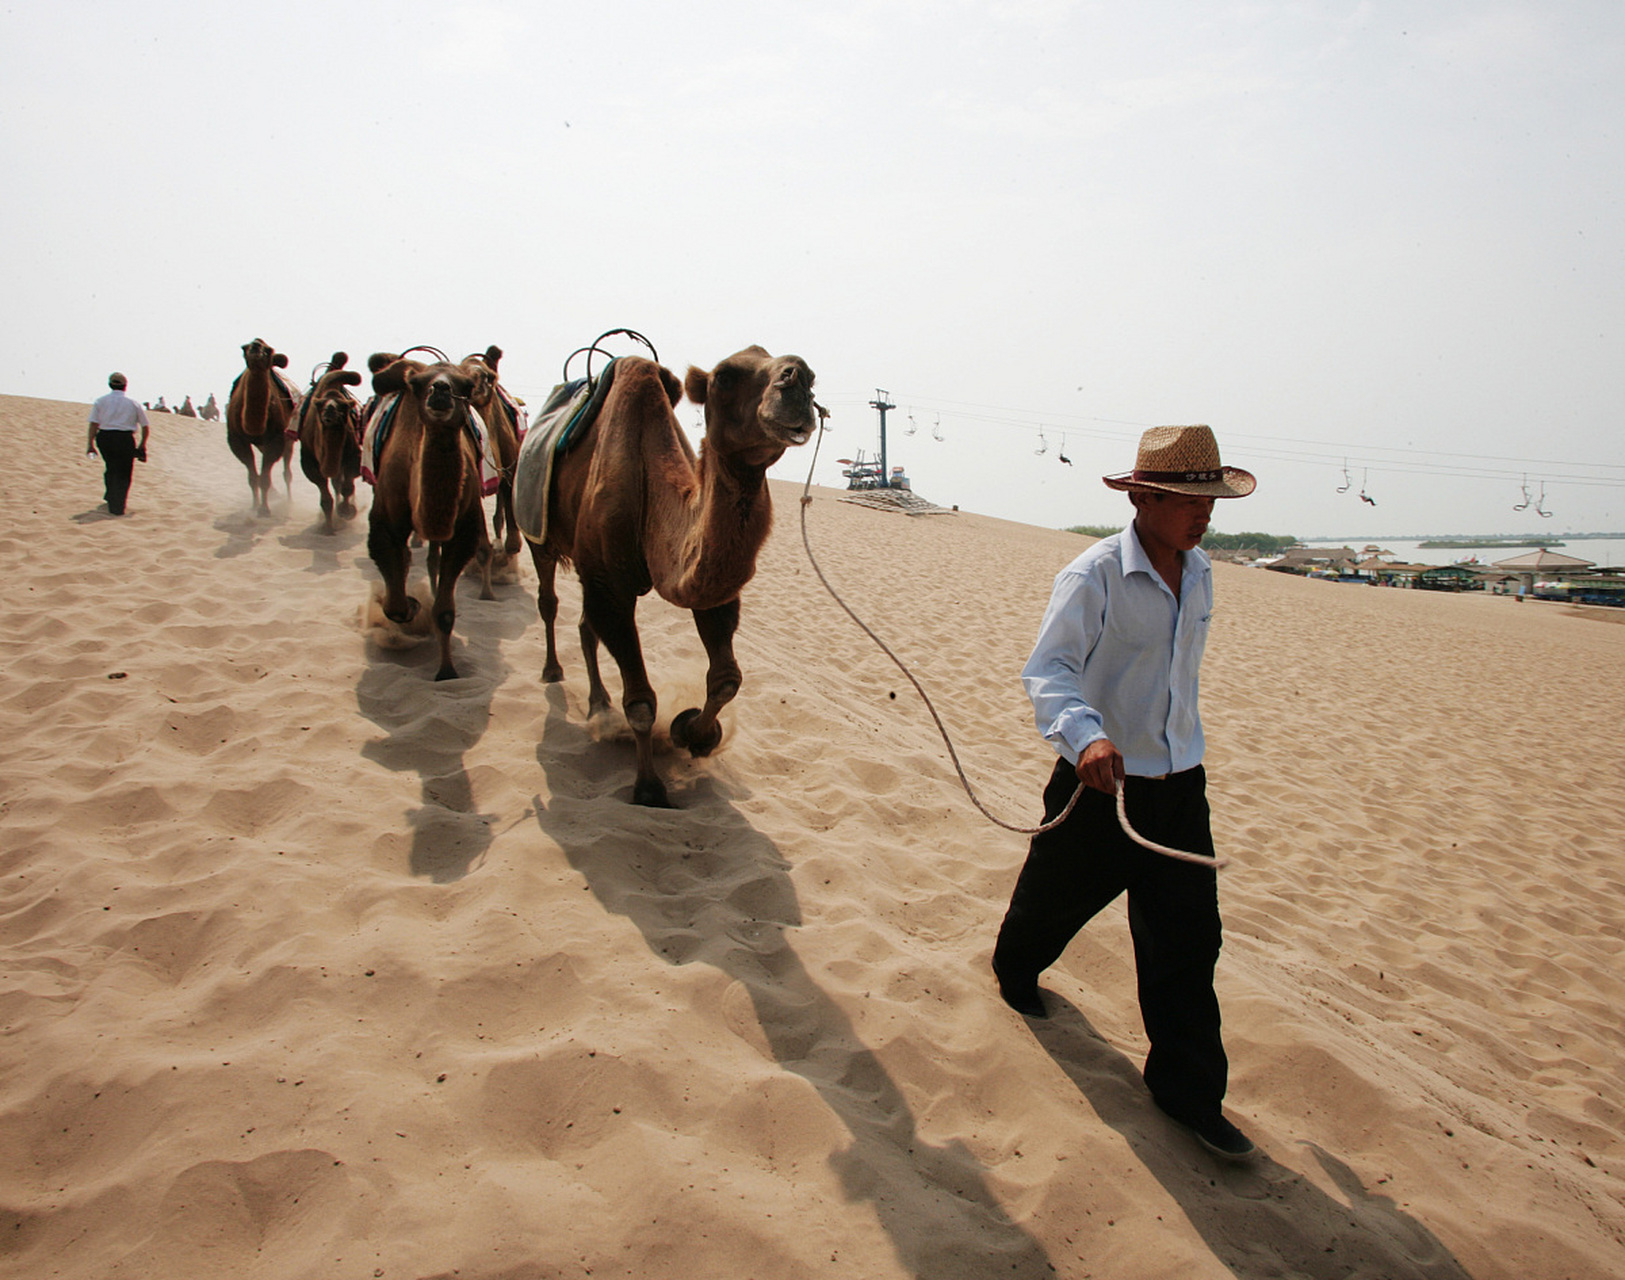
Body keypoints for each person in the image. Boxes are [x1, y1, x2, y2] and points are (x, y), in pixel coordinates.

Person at [991, 424, 1258, 1160]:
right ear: (1141, 497)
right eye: (1186, 500)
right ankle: (1014, 969)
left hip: (1179, 788)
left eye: (1210, 500)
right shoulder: (1094, 574)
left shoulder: (1200, 573)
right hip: (1099, 783)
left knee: (1188, 944)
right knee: (1050, 904)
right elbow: (1049, 671)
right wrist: (1086, 738)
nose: (1203, 514)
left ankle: (1188, 1095)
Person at [86, 372, 150, 516]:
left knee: (111, 468)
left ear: (110, 385)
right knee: (124, 472)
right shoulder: (133, 403)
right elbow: (145, 426)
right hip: (125, 439)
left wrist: (90, 444)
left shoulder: (100, 401)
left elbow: (93, 424)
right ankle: (118, 505)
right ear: (125, 386)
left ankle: (111, 498)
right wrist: (142, 445)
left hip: (105, 438)